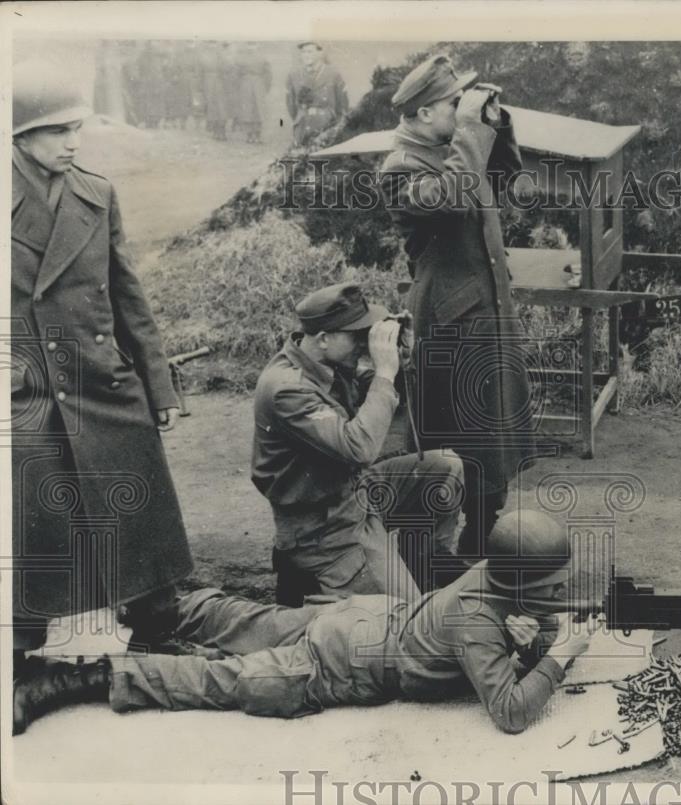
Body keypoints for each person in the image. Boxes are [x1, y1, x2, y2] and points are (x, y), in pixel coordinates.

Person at [12, 511, 600, 736]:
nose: (560, 593)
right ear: (520, 583)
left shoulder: (491, 576)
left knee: (248, 619)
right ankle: (74, 680)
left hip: (357, 619)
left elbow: (502, 627)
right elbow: (511, 714)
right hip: (343, 663)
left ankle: (158, 609)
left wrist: (533, 639)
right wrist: (559, 654)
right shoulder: (479, 619)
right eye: (551, 586)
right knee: (229, 680)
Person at [9, 60, 193, 675]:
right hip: (27, 385)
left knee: (138, 498)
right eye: (58, 131)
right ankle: (19, 655)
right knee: (31, 514)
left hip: (101, 378)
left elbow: (127, 294)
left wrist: (158, 383)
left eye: (75, 129)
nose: (72, 142)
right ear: (21, 136)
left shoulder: (98, 191)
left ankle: (156, 631)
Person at [378, 54, 537, 559]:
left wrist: (494, 123)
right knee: (452, 447)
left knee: (493, 440)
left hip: (485, 314)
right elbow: (455, 198)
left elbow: (509, 177)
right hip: (450, 325)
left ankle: (480, 543)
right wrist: (469, 127)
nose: (459, 110)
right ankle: (429, 559)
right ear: (425, 113)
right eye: (453, 103)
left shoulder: (454, 147)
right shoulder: (398, 168)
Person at [251, 283, 464, 608]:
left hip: (356, 495)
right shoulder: (286, 390)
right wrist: (385, 371)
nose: (364, 343)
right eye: (356, 335)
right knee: (406, 621)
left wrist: (402, 360)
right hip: (323, 530)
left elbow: (387, 399)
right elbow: (359, 447)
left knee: (444, 468)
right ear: (323, 338)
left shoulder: (328, 364)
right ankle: (368, 586)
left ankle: (421, 568)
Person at [285, 41, 349, 146]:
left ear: (320, 53)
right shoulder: (294, 75)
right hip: (302, 126)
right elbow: (290, 104)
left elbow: (342, 104)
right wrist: (299, 117)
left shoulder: (333, 74)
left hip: (326, 126)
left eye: (310, 52)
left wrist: (335, 125)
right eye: (303, 52)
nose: (306, 55)